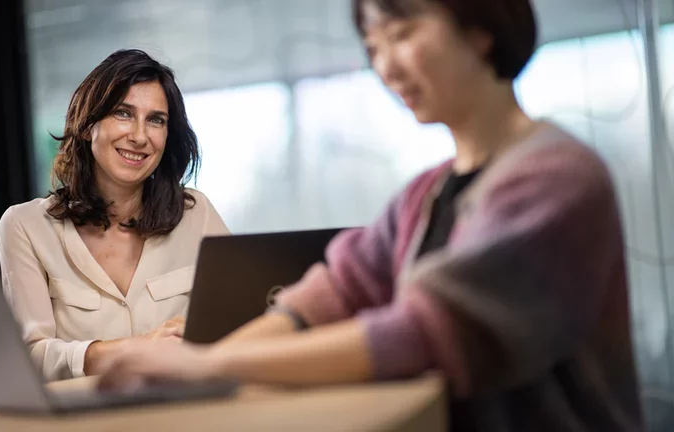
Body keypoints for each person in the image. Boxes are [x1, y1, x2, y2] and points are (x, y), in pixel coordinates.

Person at [96, 1, 642, 430]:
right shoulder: (423, 194)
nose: (386, 65)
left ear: (481, 25)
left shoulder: (557, 177)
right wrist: (197, 373)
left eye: (402, 35)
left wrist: (212, 367)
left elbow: (424, 334)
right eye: (374, 46)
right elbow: (331, 292)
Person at [0, 49, 229, 381]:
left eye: (156, 120)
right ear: (88, 124)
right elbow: (32, 355)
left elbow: (242, 319)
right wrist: (138, 349)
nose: (139, 136)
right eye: (123, 113)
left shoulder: (197, 213)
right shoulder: (24, 226)